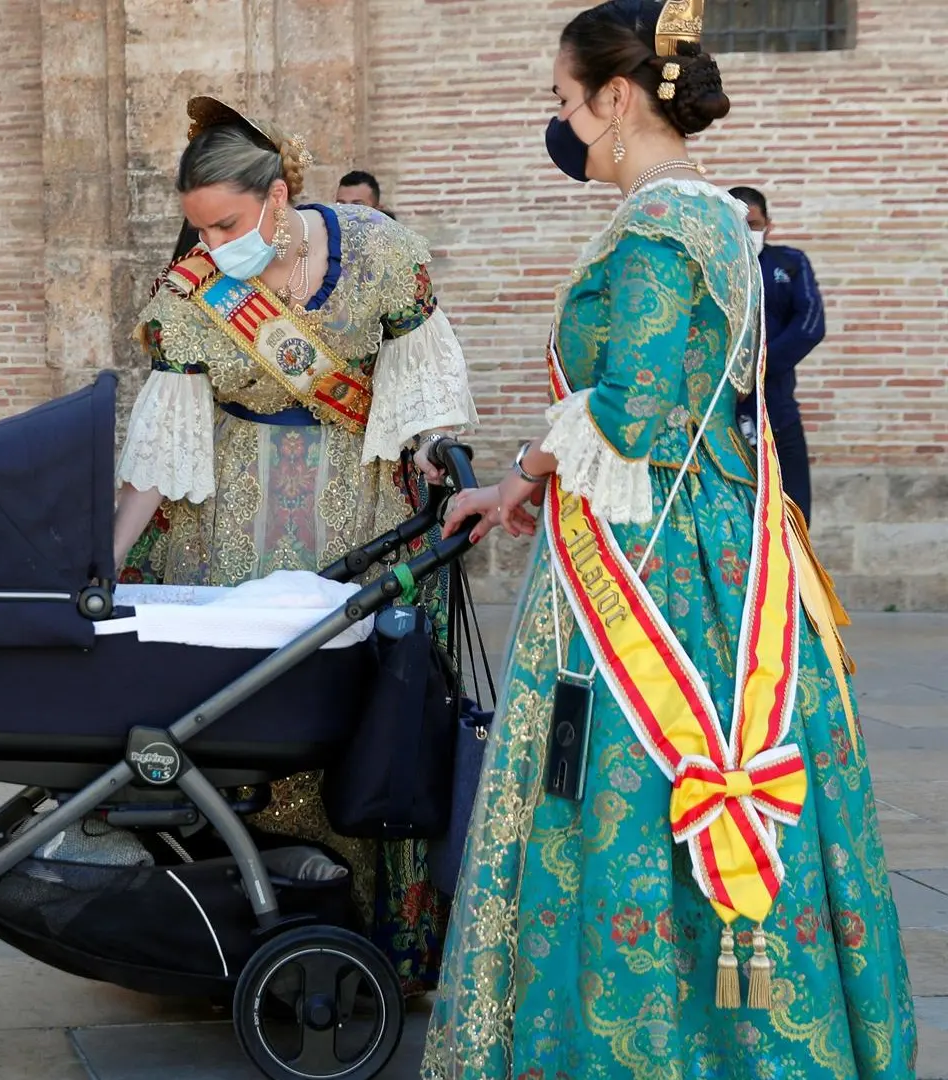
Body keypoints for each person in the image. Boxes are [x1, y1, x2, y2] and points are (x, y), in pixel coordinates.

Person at [423, 2, 914, 1077]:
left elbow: (632, 409)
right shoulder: (722, 224)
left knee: (618, 794)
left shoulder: (654, 226)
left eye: (564, 99)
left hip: (649, 563)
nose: (561, 123)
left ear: (615, 98)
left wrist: (514, 479)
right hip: (729, 548)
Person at [113, 96, 478, 996]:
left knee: (355, 704)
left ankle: (369, 937)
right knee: (242, 706)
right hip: (231, 523)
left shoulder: (381, 254)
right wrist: (104, 554)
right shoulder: (193, 295)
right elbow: (160, 451)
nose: (210, 249)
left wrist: (438, 456)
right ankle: (235, 934)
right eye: (198, 232)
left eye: (227, 225)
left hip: (357, 511)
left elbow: (422, 391)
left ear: (279, 195)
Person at [730, 185, 824, 517]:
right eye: (739, 226)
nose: (748, 233)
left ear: (769, 223)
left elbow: (810, 326)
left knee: (794, 513)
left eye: (754, 225)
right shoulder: (706, 270)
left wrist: (755, 370)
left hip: (777, 409)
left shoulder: (790, 263)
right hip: (723, 414)